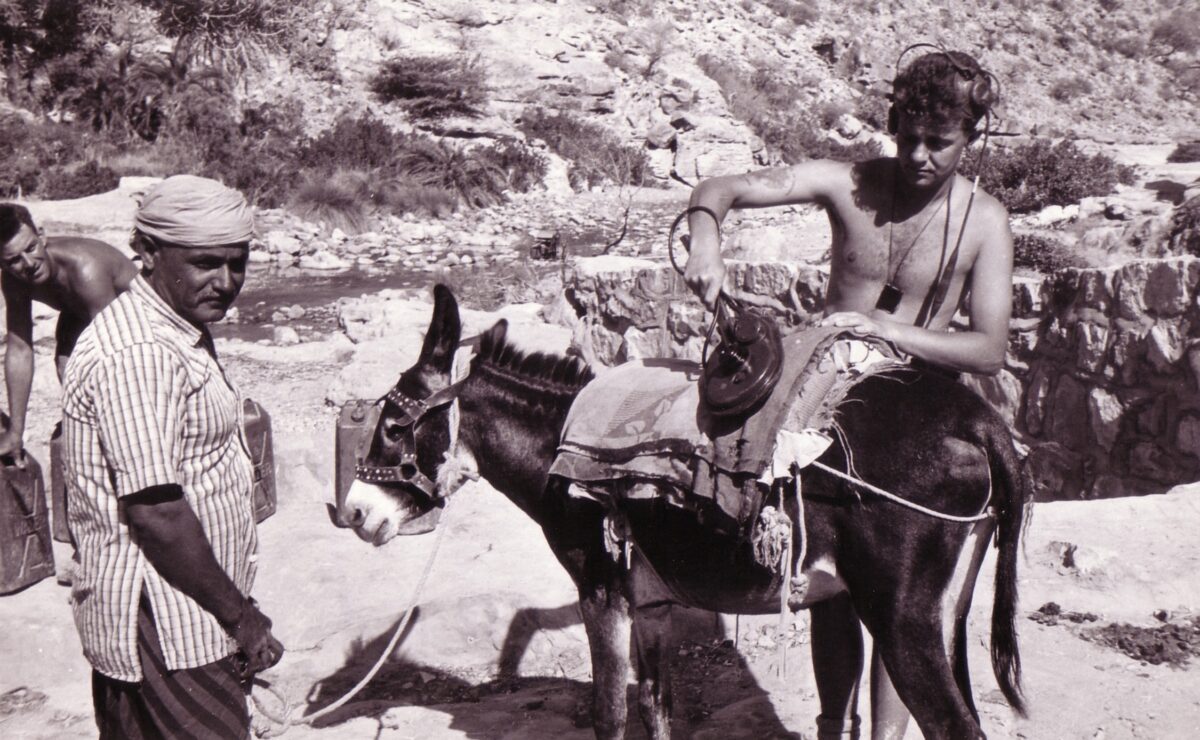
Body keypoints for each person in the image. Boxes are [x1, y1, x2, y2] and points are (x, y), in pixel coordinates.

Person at [683, 48, 1013, 740]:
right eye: (908, 138)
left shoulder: (984, 222)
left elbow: (988, 346)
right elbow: (720, 186)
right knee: (828, 580)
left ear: (971, 138)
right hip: (827, 399)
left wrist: (882, 326)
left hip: (913, 408)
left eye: (940, 144)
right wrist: (706, 241)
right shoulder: (848, 183)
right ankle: (834, 725)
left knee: (899, 594)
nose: (919, 157)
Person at [61, 175, 283, 738]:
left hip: (188, 607)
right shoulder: (141, 353)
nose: (226, 281)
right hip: (168, 620)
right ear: (149, 253)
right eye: (206, 263)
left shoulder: (176, 324)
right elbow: (156, 514)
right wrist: (242, 618)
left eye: (238, 263)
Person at [0, 203, 139, 460]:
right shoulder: (12, 280)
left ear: (41, 235)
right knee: (67, 365)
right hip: (80, 315)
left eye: (31, 248)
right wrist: (16, 432)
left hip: (141, 320)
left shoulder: (85, 268)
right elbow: (20, 349)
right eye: (13, 261)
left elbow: (115, 352)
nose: (28, 263)